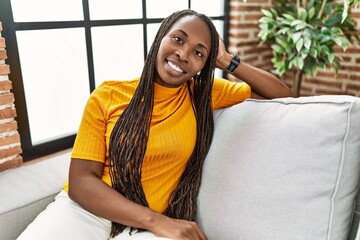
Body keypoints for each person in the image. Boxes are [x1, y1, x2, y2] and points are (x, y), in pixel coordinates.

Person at [17, 9, 293, 240]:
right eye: (177, 39)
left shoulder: (204, 94)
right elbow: (80, 182)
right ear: (160, 38)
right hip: (86, 212)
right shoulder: (108, 95)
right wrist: (157, 222)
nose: (184, 54)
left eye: (199, 53)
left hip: (144, 231)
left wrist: (224, 60)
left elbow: (282, 94)